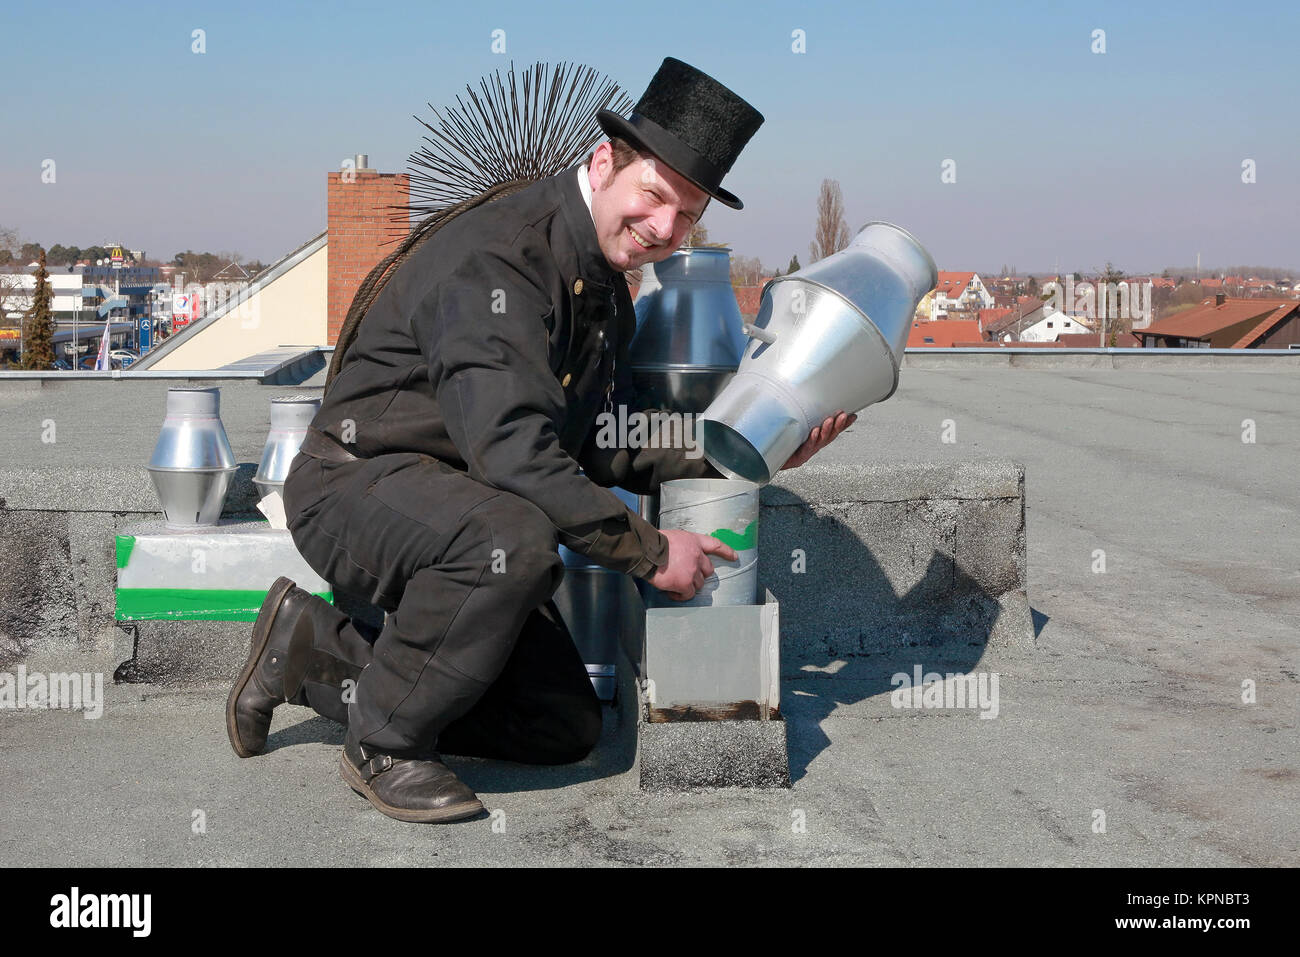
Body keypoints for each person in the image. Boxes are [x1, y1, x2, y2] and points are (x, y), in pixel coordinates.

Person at [225, 57, 856, 824]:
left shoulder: (600, 288)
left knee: (562, 723)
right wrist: (654, 553)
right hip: (355, 485)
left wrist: (748, 445)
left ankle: (311, 648)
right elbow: (516, 456)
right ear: (603, 162)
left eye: (686, 216)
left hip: (461, 510)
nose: (663, 228)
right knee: (518, 537)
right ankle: (384, 741)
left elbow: (598, 443)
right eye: (654, 196)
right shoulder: (502, 260)